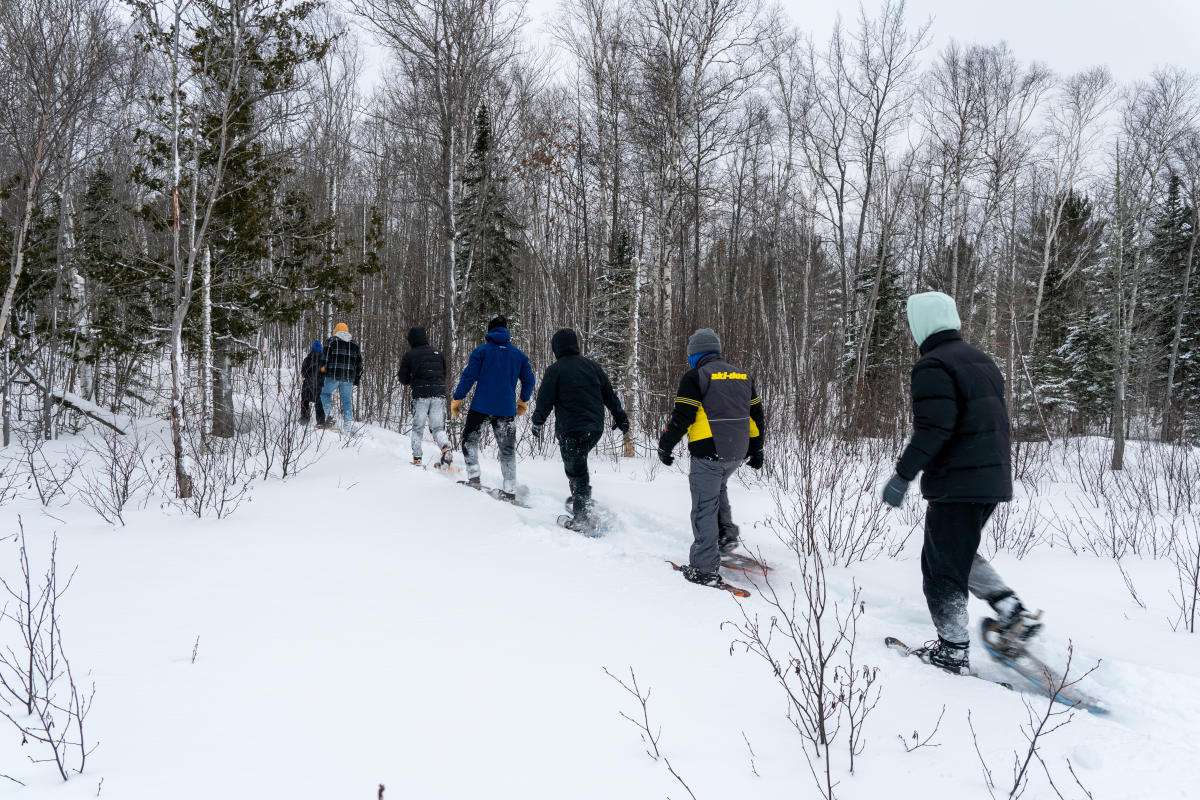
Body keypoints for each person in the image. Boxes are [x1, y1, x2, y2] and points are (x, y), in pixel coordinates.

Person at [881, 291, 1041, 676]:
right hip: (990, 477)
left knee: (940, 570)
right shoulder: (981, 360)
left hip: (958, 482)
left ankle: (952, 651)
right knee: (956, 555)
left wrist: (903, 474)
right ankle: (1011, 612)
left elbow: (935, 428)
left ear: (919, 323)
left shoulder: (933, 365)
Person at [657, 328, 765, 587]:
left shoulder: (696, 376)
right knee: (719, 491)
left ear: (695, 354)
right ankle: (725, 537)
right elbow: (757, 417)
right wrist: (757, 449)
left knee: (704, 506)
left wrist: (666, 445)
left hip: (708, 450)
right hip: (736, 450)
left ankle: (704, 568)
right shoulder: (742, 376)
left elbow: (683, 416)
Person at [530, 328, 630, 528]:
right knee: (577, 464)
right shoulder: (593, 367)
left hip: (570, 429)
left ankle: (582, 515)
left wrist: (537, 421)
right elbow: (610, 395)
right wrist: (621, 418)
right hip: (594, 428)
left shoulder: (555, 370)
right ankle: (581, 499)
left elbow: (545, 400)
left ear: (556, 348)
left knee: (576, 470)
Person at [451, 316, 535, 500]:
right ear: (506, 331)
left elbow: (468, 376)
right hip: (506, 410)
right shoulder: (518, 355)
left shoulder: (481, 351)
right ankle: (510, 491)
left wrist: (458, 398)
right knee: (507, 450)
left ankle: (474, 479)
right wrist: (523, 401)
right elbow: (529, 380)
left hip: (480, 407)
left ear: (489, 331)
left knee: (469, 441)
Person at [398, 326, 452, 467]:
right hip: (439, 394)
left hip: (420, 396)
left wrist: (414, 381)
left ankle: (417, 459)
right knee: (438, 428)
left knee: (418, 428)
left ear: (412, 340)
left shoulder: (410, 355)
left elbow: (402, 378)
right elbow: (444, 374)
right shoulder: (438, 353)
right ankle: (445, 447)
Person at [319, 322, 363, 430]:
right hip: (348, 378)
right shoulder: (355, 344)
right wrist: (357, 377)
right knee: (347, 400)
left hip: (333, 375)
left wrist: (322, 371)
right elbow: (360, 364)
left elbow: (324, 359)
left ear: (336, 331)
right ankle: (348, 425)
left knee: (324, 393)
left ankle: (330, 416)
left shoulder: (331, 341)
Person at [299, 340, 326, 427]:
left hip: (308, 384)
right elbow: (326, 372)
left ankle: (304, 418)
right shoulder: (324, 360)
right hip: (320, 385)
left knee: (305, 400)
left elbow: (303, 372)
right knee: (319, 402)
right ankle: (321, 421)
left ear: (312, 349)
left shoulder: (307, 359)